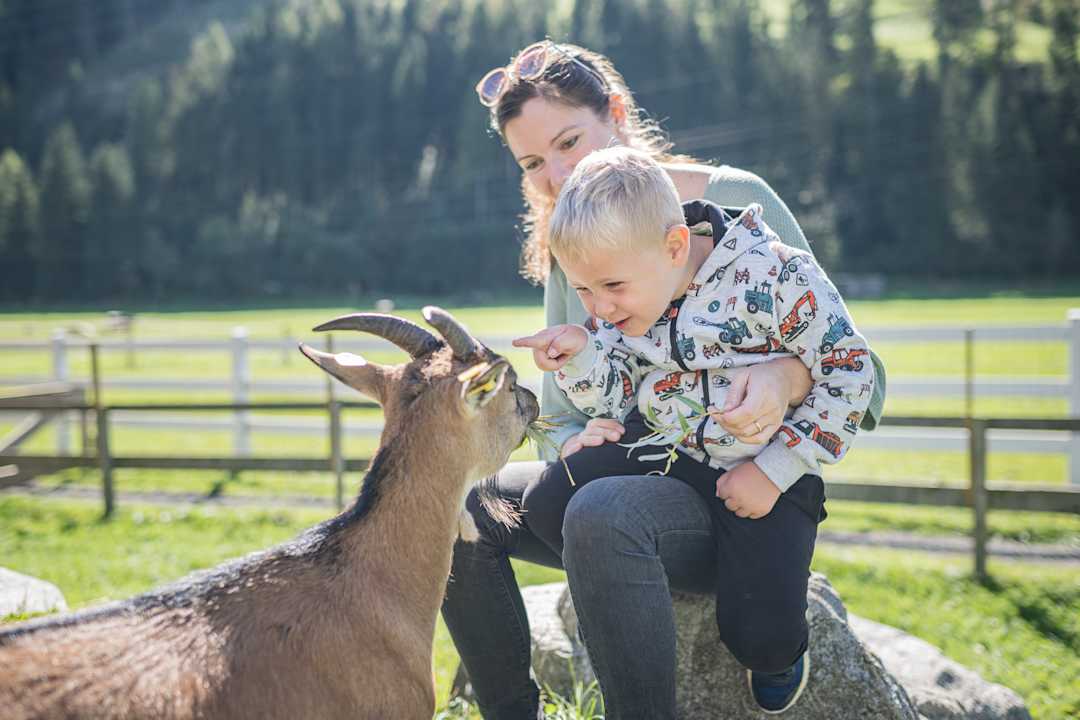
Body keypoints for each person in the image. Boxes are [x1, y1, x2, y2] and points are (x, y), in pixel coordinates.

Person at [441, 40, 888, 720]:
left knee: (601, 514)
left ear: (616, 114)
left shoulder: (738, 208)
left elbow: (859, 373)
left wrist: (780, 378)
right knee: (463, 505)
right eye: (533, 163)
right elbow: (569, 407)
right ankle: (508, 711)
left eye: (569, 142)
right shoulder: (578, 247)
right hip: (637, 461)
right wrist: (574, 431)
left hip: (731, 480)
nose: (557, 175)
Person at [511, 145, 875, 714]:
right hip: (665, 454)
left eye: (610, 288)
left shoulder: (778, 277)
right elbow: (615, 393)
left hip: (762, 471)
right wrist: (583, 358)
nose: (599, 307)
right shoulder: (625, 291)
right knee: (545, 502)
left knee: (760, 636)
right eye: (583, 291)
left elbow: (851, 377)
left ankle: (782, 649)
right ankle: (641, 573)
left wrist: (775, 470)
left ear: (676, 245)